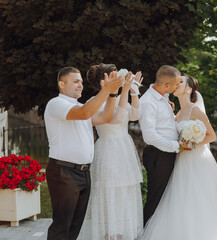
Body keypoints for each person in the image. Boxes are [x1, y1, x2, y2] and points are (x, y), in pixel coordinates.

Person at [138, 74, 217, 240]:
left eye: (181, 82)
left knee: (198, 199)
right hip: (181, 160)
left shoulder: (195, 110)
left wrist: (191, 144)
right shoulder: (177, 112)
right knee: (180, 199)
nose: (176, 84)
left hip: (197, 160)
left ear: (189, 89)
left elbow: (211, 135)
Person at [44, 66, 123, 240]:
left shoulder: (81, 106)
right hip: (64, 171)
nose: (80, 85)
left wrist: (112, 94)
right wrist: (106, 89)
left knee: (74, 226)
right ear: (61, 84)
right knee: (62, 225)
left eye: (81, 81)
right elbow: (84, 113)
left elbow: (105, 118)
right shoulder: (56, 104)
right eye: (75, 81)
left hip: (83, 172)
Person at [79, 64, 144, 240]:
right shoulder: (94, 102)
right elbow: (116, 120)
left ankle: (121, 235)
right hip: (108, 151)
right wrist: (123, 91)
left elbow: (135, 115)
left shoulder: (120, 97)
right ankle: (109, 235)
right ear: (103, 81)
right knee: (110, 195)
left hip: (124, 149)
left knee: (124, 194)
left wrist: (133, 91)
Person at [139, 65, 185, 226]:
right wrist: (176, 146)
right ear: (166, 86)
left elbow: (165, 126)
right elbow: (150, 136)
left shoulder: (163, 97)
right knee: (156, 198)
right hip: (158, 155)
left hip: (167, 152)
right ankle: (147, 233)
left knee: (165, 196)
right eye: (176, 84)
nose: (178, 86)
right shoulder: (148, 102)